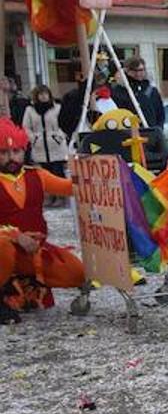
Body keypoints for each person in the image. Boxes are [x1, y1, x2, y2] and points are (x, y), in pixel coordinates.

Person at [0, 119, 84, 324]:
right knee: (3, 246)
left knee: (77, 273)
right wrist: (15, 236)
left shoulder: (37, 174)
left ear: (24, 150)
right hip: (5, 249)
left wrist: (98, 173)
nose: (11, 157)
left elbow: (71, 188)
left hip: (33, 250)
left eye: (16, 151)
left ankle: (26, 283)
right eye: (3, 153)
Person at [22, 85, 68, 192]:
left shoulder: (57, 108)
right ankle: (50, 195)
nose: (43, 96)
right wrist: (33, 138)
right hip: (40, 147)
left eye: (46, 94)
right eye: (41, 94)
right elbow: (26, 127)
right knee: (44, 175)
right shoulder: (30, 110)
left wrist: (58, 137)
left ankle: (60, 195)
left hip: (56, 147)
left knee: (58, 173)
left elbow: (65, 124)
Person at [124, 56, 165, 129]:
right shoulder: (122, 89)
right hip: (129, 131)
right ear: (127, 71)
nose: (138, 74)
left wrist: (159, 128)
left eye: (141, 70)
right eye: (134, 71)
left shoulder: (152, 90)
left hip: (151, 131)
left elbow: (160, 112)